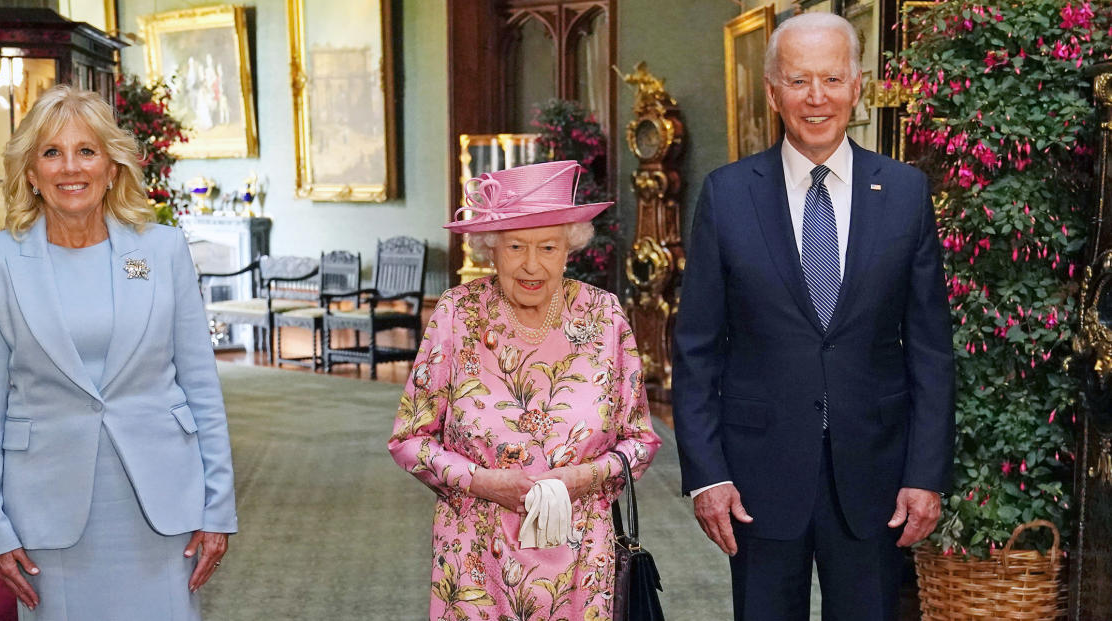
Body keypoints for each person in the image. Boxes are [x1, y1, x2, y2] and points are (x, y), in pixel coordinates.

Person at [672, 13, 955, 620]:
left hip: (877, 477)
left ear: (858, 86)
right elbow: (696, 348)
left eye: (832, 78)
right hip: (755, 479)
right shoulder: (727, 194)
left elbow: (931, 348)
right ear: (773, 91)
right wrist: (706, 475)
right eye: (799, 81)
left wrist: (926, 474)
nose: (817, 97)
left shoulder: (905, 192)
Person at [0, 85, 237, 620]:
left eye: (86, 151)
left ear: (112, 167)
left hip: (162, 505)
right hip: (46, 510)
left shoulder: (163, 250)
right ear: (30, 173)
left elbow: (202, 386)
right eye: (52, 152)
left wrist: (218, 507)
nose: (71, 167)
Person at [389, 160, 661, 620]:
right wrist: (482, 482)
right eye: (516, 246)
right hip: (475, 559)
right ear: (490, 249)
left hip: (581, 562)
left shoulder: (604, 316)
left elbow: (640, 442)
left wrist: (583, 479)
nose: (532, 265)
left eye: (549, 247)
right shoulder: (459, 313)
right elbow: (409, 440)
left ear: (569, 249)